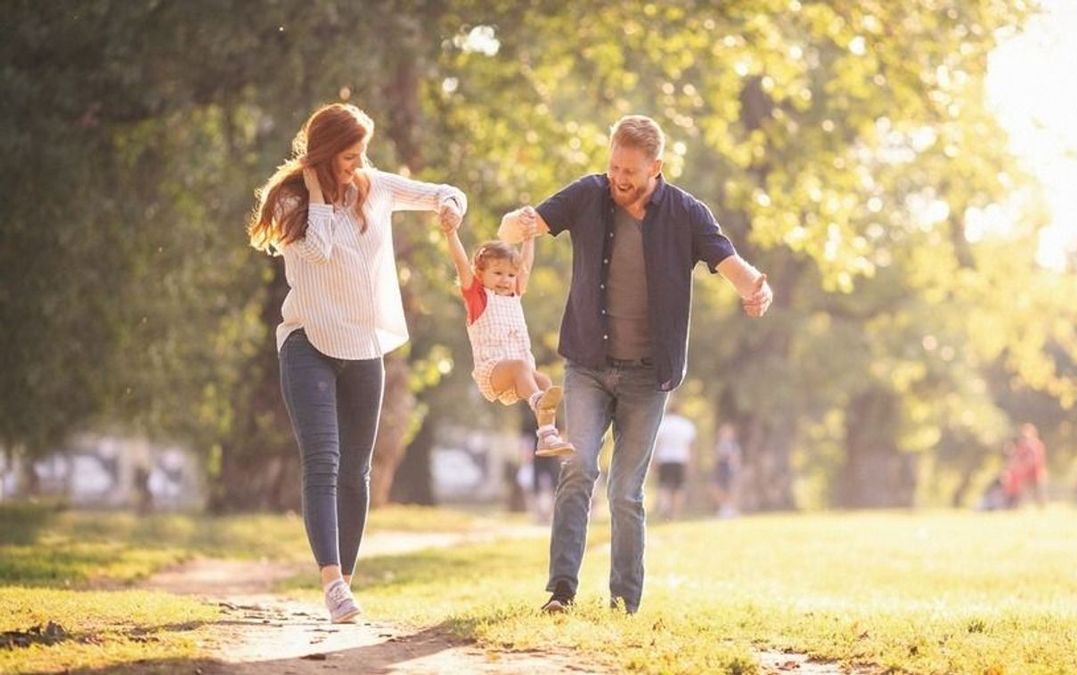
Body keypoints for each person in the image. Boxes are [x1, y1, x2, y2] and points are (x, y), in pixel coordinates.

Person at [498, 114, 773, 614]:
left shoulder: (686, 213)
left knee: (626, 491)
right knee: (578, 469)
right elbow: (531, 223)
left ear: (656, 167)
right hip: (587, 362)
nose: (619, 178)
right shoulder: (589, 194)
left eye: (631, 171)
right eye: (614, 166)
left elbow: (726, 259)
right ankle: (561, 591)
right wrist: (512, 230)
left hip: (649, 375)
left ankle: (624, 601)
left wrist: (755, 287)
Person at [247, 103, 467, 623]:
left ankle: (345, 581)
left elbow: (441, 191)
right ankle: (331, 584)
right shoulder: (288, 202)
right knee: (322, 462)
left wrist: (452, 206)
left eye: (362, 152)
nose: (359, 162)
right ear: (323, 154)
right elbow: (318, 250)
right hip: (308, 345)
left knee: (356, 472)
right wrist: (319, 191)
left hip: (365, 347)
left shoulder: (374, 186)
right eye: (349, 155)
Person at [441, 211, 574, 457]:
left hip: (518, 374)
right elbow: (461, 264)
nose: (506, 280)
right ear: (480, 275)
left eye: (510, 275)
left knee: (544, 381)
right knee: (523, 369)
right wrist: (451, 234)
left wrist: (529, 238)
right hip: (493, 372)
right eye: (498, 273)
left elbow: (525, 267)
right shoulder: (478, 298)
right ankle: (536, 402)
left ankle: (547, 436)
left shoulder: (514, 296)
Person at [652, 406, 696, 521]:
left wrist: (654, 461)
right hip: (681, 459)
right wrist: (691, 464)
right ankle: (675, 514)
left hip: (664, 459)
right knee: (679, 488)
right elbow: (690, 447)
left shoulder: (662, 424)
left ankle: (665, 508)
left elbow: (657, 444)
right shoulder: (687, 425)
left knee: (663, 486)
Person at [1003, 423, 1047, 508]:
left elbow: (1034, 459)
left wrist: (1021, 466)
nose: (1024, 437)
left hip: (1037, 473)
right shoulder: (1022, 446)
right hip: (1026, 475)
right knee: (1024, 495)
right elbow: (1016, 457)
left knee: (1039, 495)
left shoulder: (1036, 445)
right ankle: (1022, 509)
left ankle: (1041, 510)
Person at [711, 422, 742, 518]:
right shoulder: (720, 445)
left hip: (728, 469)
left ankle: (731, 509)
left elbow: (735, 458)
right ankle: (724, 507)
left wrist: (735, 468)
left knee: (730, 488)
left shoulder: (733, 446)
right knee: (719, 488)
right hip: (720, 469)